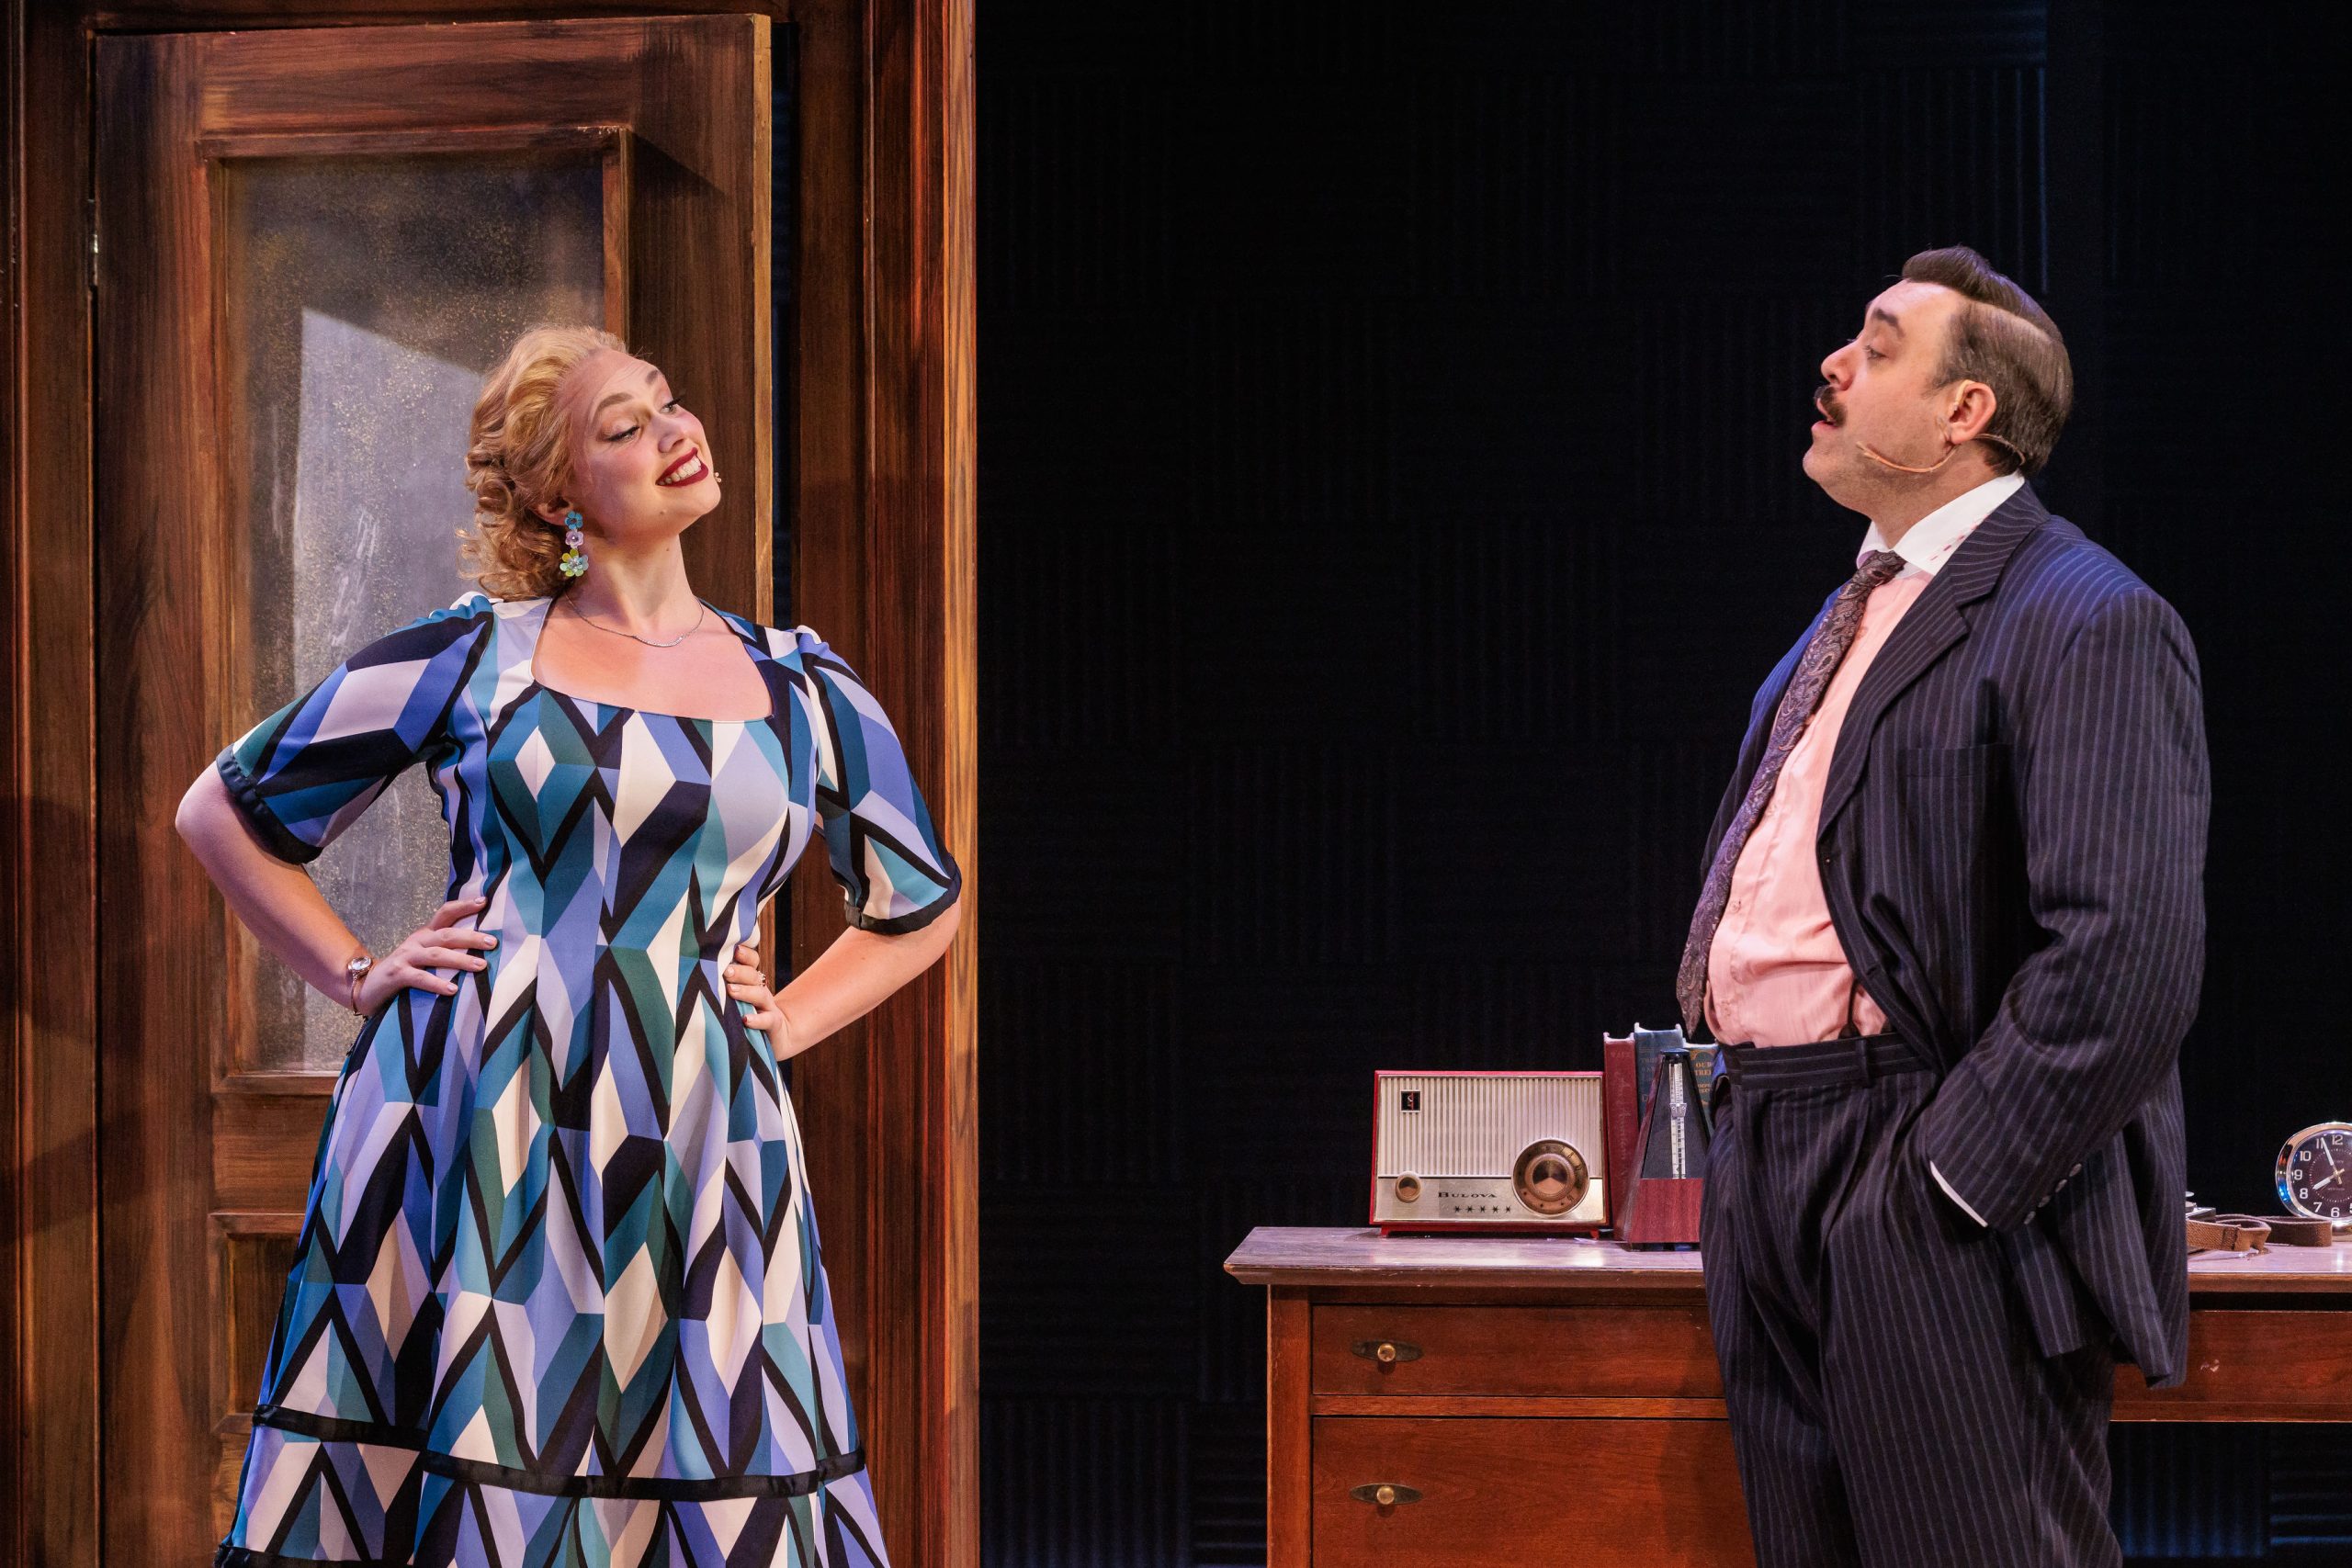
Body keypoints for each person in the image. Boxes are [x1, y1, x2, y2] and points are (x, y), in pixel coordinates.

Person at [177, 323, 959, 1568]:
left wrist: (787, 1022)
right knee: (493, 1464)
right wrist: (356, 974)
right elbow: (222, 812)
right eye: (624, 428)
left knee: (712, 1462)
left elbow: (918, 898)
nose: (673, 430)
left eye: (667, 400)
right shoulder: (475, 658)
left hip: (700, 1130)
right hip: (484, 1115)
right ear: (559, 498)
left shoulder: (799, 687)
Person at [1678, 246, 2207, 1567]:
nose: (1834, 364)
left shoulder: (2082, 613)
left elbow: (2124, 955)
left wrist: (1944, 1186)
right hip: (1775, 1156)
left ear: (1966, 411)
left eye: (1878, 346)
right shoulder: (1845, 622)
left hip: (1923, 1167)